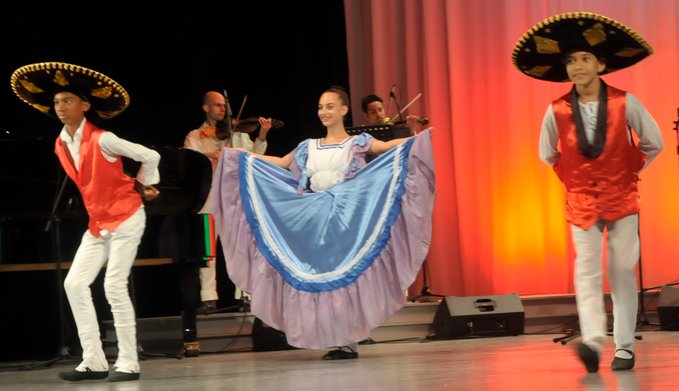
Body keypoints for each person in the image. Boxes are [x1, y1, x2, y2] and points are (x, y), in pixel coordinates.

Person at [211, 86, 436, 360]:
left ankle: (348, 340)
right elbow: (281, 163)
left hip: (346, 216)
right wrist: (242, 158)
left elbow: (387, 147)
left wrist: (416, 138)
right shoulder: (308, 146)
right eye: (320, 107)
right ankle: (332, 335)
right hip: (314, 216)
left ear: (343, 110)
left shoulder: (357, 142)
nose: (323, 112)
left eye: (330, 106)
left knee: (344, 277)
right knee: (320, 276)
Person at [512, 12, 664, 373]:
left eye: (583, 59)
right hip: (581, 202)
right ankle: (593, 341)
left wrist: (630, 173)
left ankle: (624, 346)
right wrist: (574, 180)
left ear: (601, 64)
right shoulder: (557, 110)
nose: (577, 67)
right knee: (587, 272)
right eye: (570, 61)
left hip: (622, 199)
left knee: (622, 271)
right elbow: (547, 154)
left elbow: (654, 143)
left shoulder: (626, 102)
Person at [10, 62, 161, 382]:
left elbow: (151, 155)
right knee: (74, 283)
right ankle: (93, 360)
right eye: (56, 102)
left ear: (85, 106)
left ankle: (128, 362)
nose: (60, 107)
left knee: (113, 286)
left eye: (67, 101)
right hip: (99, 223)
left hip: (127, 218)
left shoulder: (104, 138)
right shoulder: (60, 143)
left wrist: (144, 185)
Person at [183, 91, 272, 313]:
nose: (223, 110)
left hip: (234, 198)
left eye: (224, 106)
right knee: (208, 251)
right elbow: (189, 165)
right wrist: (211, 155)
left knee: (241, 248)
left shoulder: (238, 135)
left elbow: (255, 157)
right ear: (206, 108)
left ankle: (245, 295)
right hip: (209, 198)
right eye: (217, 105)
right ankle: (208, 298)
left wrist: (261, 135)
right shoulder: (194, 136)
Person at [360, 93, 426, 133]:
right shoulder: (364, 135)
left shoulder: (393, 129)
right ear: (366, 116)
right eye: (373, 112)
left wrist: (412, 128)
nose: (379, 114)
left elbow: (409, 145)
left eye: (380, 110)